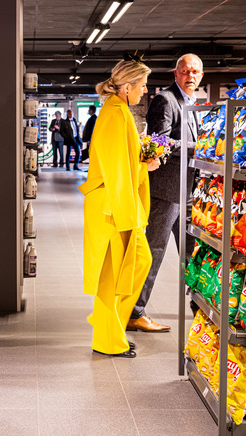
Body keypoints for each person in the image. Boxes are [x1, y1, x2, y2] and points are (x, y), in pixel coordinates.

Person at [78, 59, 159, 358]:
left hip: (119, 203)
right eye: (142, 86)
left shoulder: (119, 110)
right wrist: (144, 169)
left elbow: (123, 162)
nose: (145, 91)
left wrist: (142, 162)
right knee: (111, 277)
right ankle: (107, 339)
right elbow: (115, 170)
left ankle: (108, 323)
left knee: (138, 263)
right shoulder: (114, 114)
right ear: (127, 88)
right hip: (113, 206)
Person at [128, 53, 203, 333]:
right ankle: (134, 311)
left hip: (186, 192)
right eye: (185, 71)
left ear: (201, 76)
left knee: (193, 254)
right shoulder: (166, 100)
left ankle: (201, 308)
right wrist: (200, 147)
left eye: (195, 71)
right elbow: (159, 140)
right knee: (153, 252)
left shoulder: (190, 102)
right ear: (176, 73)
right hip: (166, 190)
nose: (190, 75)